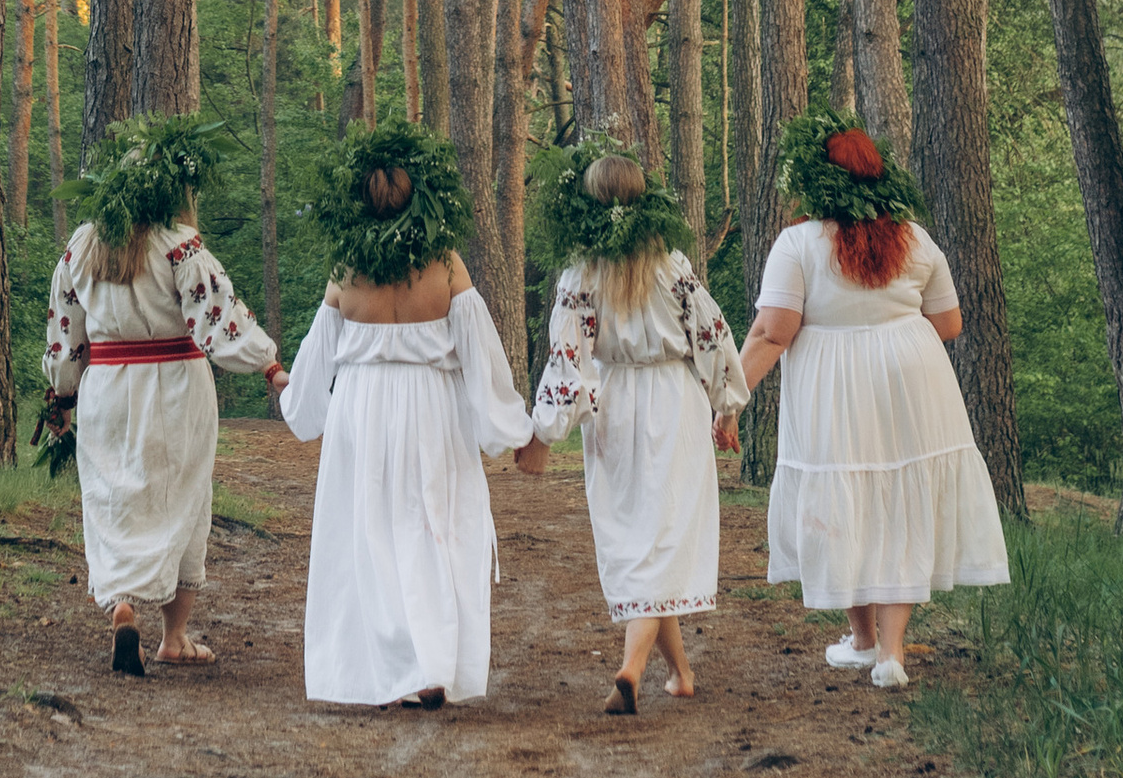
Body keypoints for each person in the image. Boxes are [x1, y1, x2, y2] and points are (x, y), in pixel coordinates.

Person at [279, 115, 545, 709]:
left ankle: (390, 669)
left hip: (361, 411)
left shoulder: (346, 271)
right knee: (432, 534)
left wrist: (292, 395)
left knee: (370, 537)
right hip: (432, 410)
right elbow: (482, 357)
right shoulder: (446, 266)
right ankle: (430, 667)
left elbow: (315, 363)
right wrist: (514, 429)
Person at [739, 115, 1009, 688]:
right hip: (913, 379)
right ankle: (890, 654)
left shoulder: (799, 243)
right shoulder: (915, 237)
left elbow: (773, 332)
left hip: (830, 385)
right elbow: (950, 323)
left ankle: (861, 640)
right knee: (900, 501)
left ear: (817, 182)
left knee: (842, 493)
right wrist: (891, 338)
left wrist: (729, 397)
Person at [42, 118, 284, 678]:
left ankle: (122, 607)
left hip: (107, 388)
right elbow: (219, 318)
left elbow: (64, 332)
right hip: (175, 384)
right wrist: (268, 364)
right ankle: (174, 637)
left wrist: (62, 396)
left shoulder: (80, 248)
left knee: (112, 499)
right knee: (179, 498)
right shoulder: (181, 248)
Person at [530, 160, 749, 714]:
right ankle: (636, 669)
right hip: (674, 399)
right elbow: (713, 334)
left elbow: (566, 358)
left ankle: (675, 673)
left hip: (615, 404)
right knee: (663, 534)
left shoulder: (580, 272)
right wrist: (728, 407)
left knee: (639, 536)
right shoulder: (670, 265)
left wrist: (544, 429)